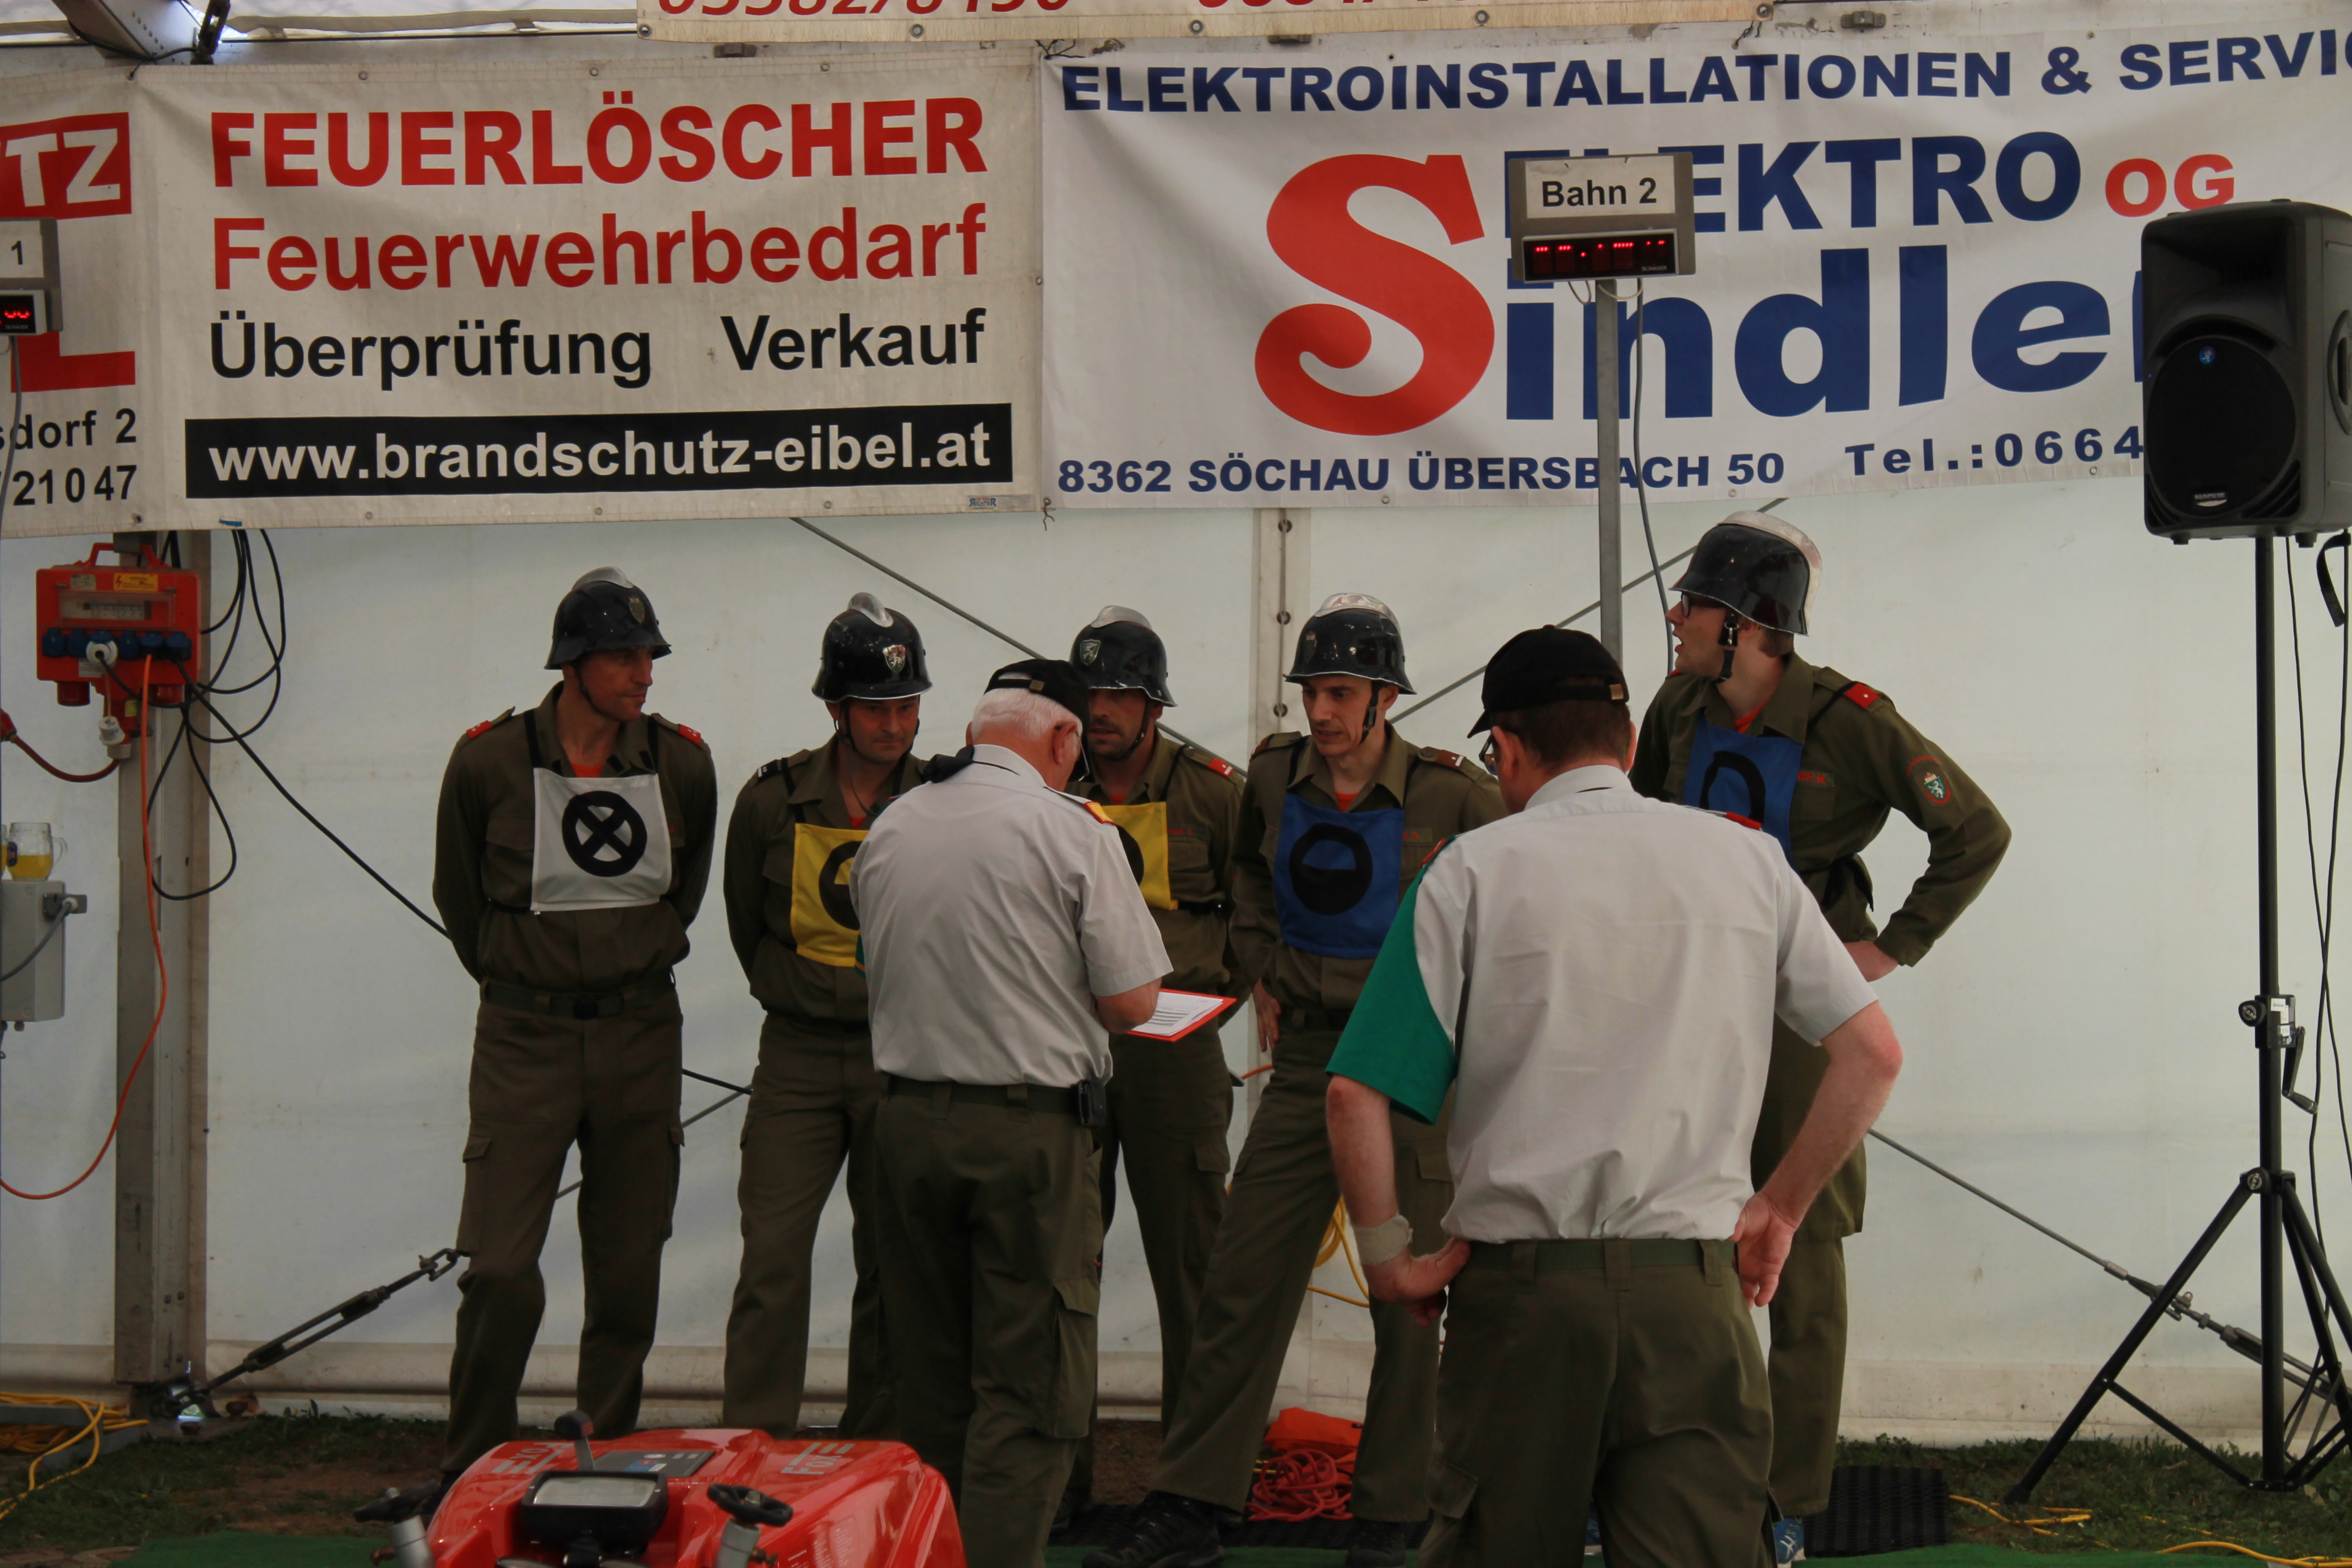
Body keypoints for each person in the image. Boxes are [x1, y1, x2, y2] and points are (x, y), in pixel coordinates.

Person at [1324, 625, 1905, 1568]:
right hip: (1695, 1297)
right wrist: (1781, 1210)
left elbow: (1355, 1094)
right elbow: (1872, 1056)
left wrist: (1390, 1260)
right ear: (1630, 744)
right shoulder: (1748, 860)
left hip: (1521, 1303)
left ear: (1507, 749)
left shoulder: (1469, 872)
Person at [1091, 595, 1504, 1568]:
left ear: (1385, 699)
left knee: (1411, 1296)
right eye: (1313, 691)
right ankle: (1194, 1503)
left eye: (1341, 693)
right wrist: (1260, 966)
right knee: (1243, 1277)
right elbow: (1245, 872)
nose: (1320, 711)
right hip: (1310, 1057)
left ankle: (1395, 1511)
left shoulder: (1455, 795)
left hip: (1414, 1062)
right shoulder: (1273, 777)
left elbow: (1522, 888)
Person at [1627, 513, 2008, 1559]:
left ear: (1750, 624)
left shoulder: (1851, 719)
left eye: (1696, 604)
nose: (1677, 616)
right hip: (1692, 993)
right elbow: (1638, 828)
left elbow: (1975, 831)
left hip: (1802, 1005)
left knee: (1802, 1247)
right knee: (1665, 1228)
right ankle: (1665, 1472)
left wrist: (1888, 950)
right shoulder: (1676, 706)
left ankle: (1786, 1500)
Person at [858, 659, 1172, 1568]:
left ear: (974, 733)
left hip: (907, 1125)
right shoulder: (1072, 831)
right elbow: (1133, 1003)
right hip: (1028, 1135)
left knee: (930, 1381)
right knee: (1029, 1386)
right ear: (1065, 737)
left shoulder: (893, 825)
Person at [431, 568, 718, 1484]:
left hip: (642, 1033)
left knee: (629, 1264)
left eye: (649, 655)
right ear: (573, 663)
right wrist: (523, 977)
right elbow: (460, 898)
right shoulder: (488, 763)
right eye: (624, 656)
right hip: (525, 1038)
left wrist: (626, 961)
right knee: (498, 1264)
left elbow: (684, 896)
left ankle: (607, 1459)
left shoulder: (682, 764)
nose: (644, 673)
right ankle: (475, 1462)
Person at [718, 593, 937, 1440]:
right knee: (772, 1255)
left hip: (905, 1058)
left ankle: (872, 1446)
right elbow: (747, 926)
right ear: (836, 708)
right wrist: (805, 996)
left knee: (892, 1264)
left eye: (908, 705)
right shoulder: (771, 801)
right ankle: (753, 1443)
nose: (896, 725)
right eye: (877, 708)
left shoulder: (941, 801)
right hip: (798, 1058)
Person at [1060, 608, 1245, 1528]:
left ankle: (1194, 1488)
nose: (1100, 710)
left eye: (1119, 694)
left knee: (1193, 1271)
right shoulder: (1050, 787)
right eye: (1089, 693)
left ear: (1153, 705)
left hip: (1178, 1050)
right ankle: (1059, 1482)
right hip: (1071, 1050)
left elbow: (1259, 908)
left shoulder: (1214, 792)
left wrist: (1224, 997)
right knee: (1060, 1267)